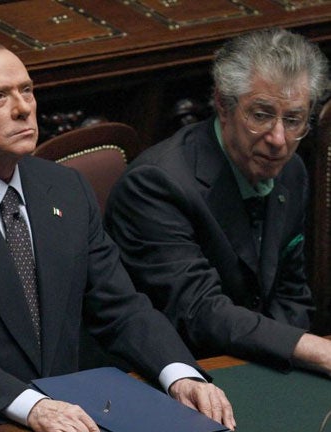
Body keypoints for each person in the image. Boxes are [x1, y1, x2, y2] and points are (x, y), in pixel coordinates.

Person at [0, 42, 235, 432]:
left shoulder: (65, 187)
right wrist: (33, 407)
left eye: (26, 91)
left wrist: (179, 373)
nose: (23, 108)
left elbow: (119, 305)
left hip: (77, 418)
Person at [104, 28, 331, 375]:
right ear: (224, 105)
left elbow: (291, 291)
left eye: (294, 120)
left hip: (261, 361)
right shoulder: (157, 183)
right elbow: (199, 311)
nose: (279, 139)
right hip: (183, 372)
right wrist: (310, 349)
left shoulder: (291, 170)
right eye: (261, 115)